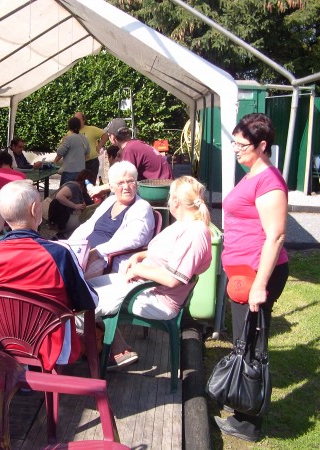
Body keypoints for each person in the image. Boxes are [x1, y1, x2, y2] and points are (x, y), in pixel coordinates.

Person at [0, 180, 138, 370]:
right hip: (49, 344)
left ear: (2, 213)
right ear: (35, 209)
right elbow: (87, 302)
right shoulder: (59, 254)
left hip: (1, 339)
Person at [213, 113, 289, 442]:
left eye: (242, 145)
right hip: (243, 272)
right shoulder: (252, 173)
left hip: (258, 274)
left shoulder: (268, 180)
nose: (235, 150)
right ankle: (241, 409)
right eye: (234, 143)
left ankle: (248, 425)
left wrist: (260, 285)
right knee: (244, 343)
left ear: (262, 145)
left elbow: (275, 236)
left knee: (253, 348)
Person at [88, 175, 212, 328]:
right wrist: (140, 255)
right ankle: (113, 346)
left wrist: (139, 269)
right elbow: (168, 253)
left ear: (175, 201)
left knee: (84, 302)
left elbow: (173, 279)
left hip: (157, 299)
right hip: (144, 287)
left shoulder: (194, 232)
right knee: (85, 287)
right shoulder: (183, 224)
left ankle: (83, 346)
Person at [69, 161, 155, 278]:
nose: (126, 187)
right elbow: (88, 225)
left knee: (70, 277)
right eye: (120, 183)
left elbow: (134, 238)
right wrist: (69, 245)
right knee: (57, 265)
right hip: (85, 252)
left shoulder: (141, 207)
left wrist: (98, 251)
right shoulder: (110, 201)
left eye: (130, 181)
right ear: (111, 187)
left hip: (107, 259)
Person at [104, 118, 172, 181]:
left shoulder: (129, 149)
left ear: (113, 137)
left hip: (159, 189)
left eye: (108, 135)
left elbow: (125, 179)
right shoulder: (135, 144)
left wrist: (100, 188)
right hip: (165, 184)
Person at [47, 169, 95, 239]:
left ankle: (62, 236)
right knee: (87, 221)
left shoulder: (79, 189)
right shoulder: (73, 186)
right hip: (62, 219)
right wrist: (75, 206)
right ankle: (63, 237)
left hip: (65, 218)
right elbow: (59, 196)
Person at [54, 117, 90, 185]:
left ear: (69, 126)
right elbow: (87, 155)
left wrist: (62, 142)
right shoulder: (84, 138)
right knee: (77, 192)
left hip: (69, 172)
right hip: (81, 171)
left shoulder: (69, 138)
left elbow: (60, 152)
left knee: (65, 193)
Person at [74, 112, 109, 179]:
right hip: (76, 163)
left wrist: (99, 146)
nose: (77, 121)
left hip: (91, 163)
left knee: (90, 184)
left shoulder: (91, 129)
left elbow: (105, 135)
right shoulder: (71, 131)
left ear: (84, 120)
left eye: (79, 119)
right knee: (77, 184)